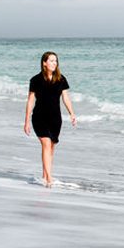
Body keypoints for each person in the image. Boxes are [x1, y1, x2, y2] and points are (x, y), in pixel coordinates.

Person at [23, 51, 77, 187]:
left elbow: (65, 97)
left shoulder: (61, 79)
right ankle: (49, 179)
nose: (54, 63)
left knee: (51, 148)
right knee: (46, 144)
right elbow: (30, 101)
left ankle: (44, 175)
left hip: (55, 119)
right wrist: (26, 121)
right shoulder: (35, 80)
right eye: (51, 61)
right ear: (44, 63)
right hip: (39, 117)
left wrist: (72, 113)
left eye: (56, 61)